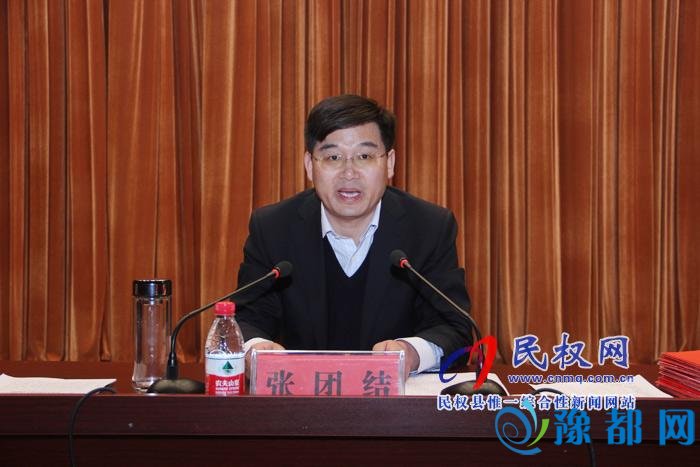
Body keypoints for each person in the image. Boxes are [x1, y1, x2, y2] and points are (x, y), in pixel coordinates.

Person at [236, 94, 472, 376]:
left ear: (389, 163)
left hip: (395, 399)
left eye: (365, 156)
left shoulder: (429, 228)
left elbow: (454, 327)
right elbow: (246, 319)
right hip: (302, 396)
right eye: (333, 157)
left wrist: (411, 353)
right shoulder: (273, 228)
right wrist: (256, 348)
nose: (349, 173)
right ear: (310, 165)